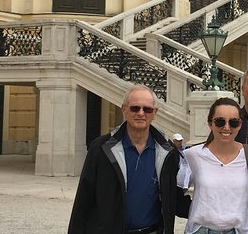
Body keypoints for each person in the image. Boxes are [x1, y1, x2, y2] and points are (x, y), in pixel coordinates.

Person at [69, 86, 189, 234]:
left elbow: (174, 199)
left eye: (147, 109)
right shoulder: (101, 148)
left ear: (154, 113)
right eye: (134, 108)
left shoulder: (168, 152)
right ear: (124, 110)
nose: (141, 113)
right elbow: (83, 200)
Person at [179, 97, 248, 234]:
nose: (226, 127)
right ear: (210, 123)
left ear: (240, 125)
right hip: (201, 230)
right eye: (220, 122)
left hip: (238, 230)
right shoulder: (192, 155)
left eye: (233, 123)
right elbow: (177, 192)